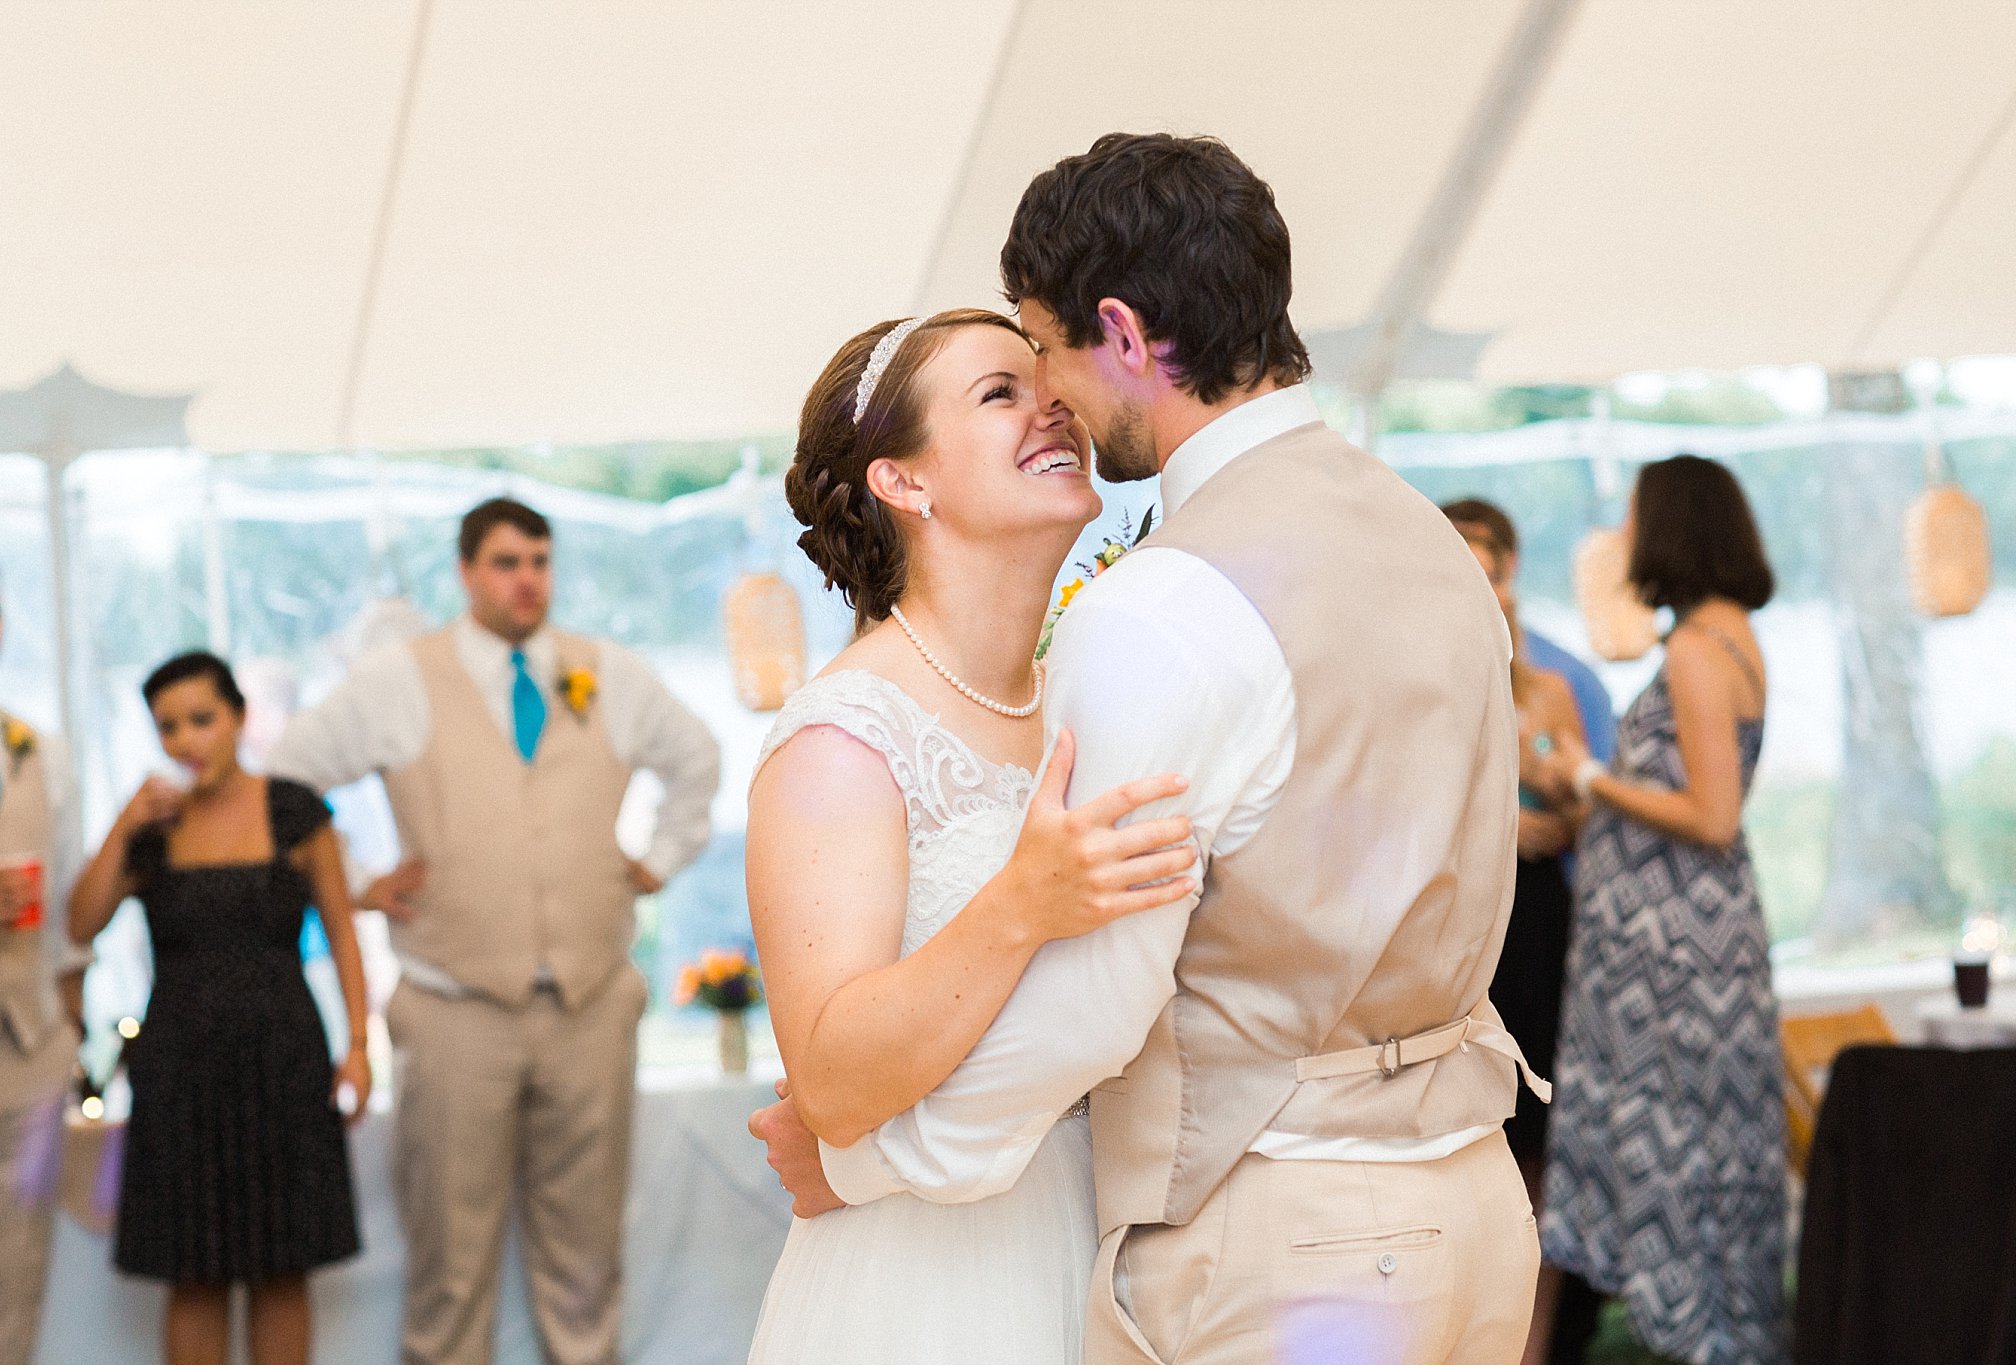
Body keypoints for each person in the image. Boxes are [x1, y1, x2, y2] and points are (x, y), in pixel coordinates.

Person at [759, 133, 1544, 1364]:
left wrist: (862, 1158)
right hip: (1473, 1204)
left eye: (1046, 354)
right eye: (1003, 386)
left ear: (1121, 334)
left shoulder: (1163, 609)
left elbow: (1095, 1011)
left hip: (1289, 1234)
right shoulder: (1428, 543)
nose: (1051, 399)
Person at [743, 308, 1199, 1364]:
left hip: (1121, 1250)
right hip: (934, 1291)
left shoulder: (1090, 689)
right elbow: (831, 1085)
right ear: (903, 483)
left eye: (1047, 381)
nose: (1054, 405)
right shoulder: (841, 737)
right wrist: (1019, 906)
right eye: (998, 393)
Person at [266, 496, 721, 1365]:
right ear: (467, 572)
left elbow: (697, 758)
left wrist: (658, 859)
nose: (528, 580)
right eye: (508, 562)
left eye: (540, 561)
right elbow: (289, 778)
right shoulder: (402, 677)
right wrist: (360, 883)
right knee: (450, 1253)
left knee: (588, 1252)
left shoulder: (606, 670)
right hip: (452, 1005)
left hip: (589, 998)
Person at [1534, 454, 1788, 1365]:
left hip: (1673, 955)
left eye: (1639, 519)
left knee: (1680, 1140)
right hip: (1692, 940)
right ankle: (1719, 1322)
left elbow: (1713, 815)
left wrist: (1590, 776)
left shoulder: (1693, 649)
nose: (1628, 540)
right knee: (1713, 1143)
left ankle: (1700, 1329)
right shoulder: (1730, 632)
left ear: (1675, 527)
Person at [68, 651, 369, 1365]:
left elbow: (342, 931)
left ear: (239, 716)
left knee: (283, 1263)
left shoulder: (295, 810)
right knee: (193, 1270)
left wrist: (358, 1042)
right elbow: (80, 922)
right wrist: (122, 821)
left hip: (283, 1059)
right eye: (168, 727)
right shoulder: (150, 828)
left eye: (202, 719)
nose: (187, 741)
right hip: (178, 1070)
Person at [1442, 500, 1592, 1365]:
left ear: (1509, 576)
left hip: (1538, 924)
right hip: (1467, 923)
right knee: (1477, 1136)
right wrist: (1502, 829)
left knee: (1539, 1144)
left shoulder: (1551, 686)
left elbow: (1582, 807)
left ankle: (1534, 1344)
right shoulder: (1424, 678)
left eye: (1490, 565)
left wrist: (1558, 795)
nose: (1480, 582)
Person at [0, 550, 85, 1365]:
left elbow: (71, 906)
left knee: (13, 1280)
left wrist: (71, 1031)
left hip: (26, 1047)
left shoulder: (39, 746)